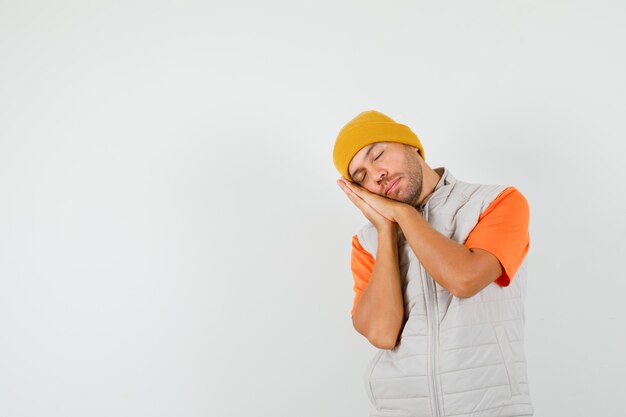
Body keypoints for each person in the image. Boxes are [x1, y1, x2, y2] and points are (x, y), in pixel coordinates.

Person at [333, 110, 534, 417]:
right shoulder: (366, 242)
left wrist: (405, 215)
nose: (376, 174)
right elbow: (382, 334)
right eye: (361, 176)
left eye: (378, 155)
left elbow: (464, 279)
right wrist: (387, 230)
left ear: (411, 145)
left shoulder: (495, 202)